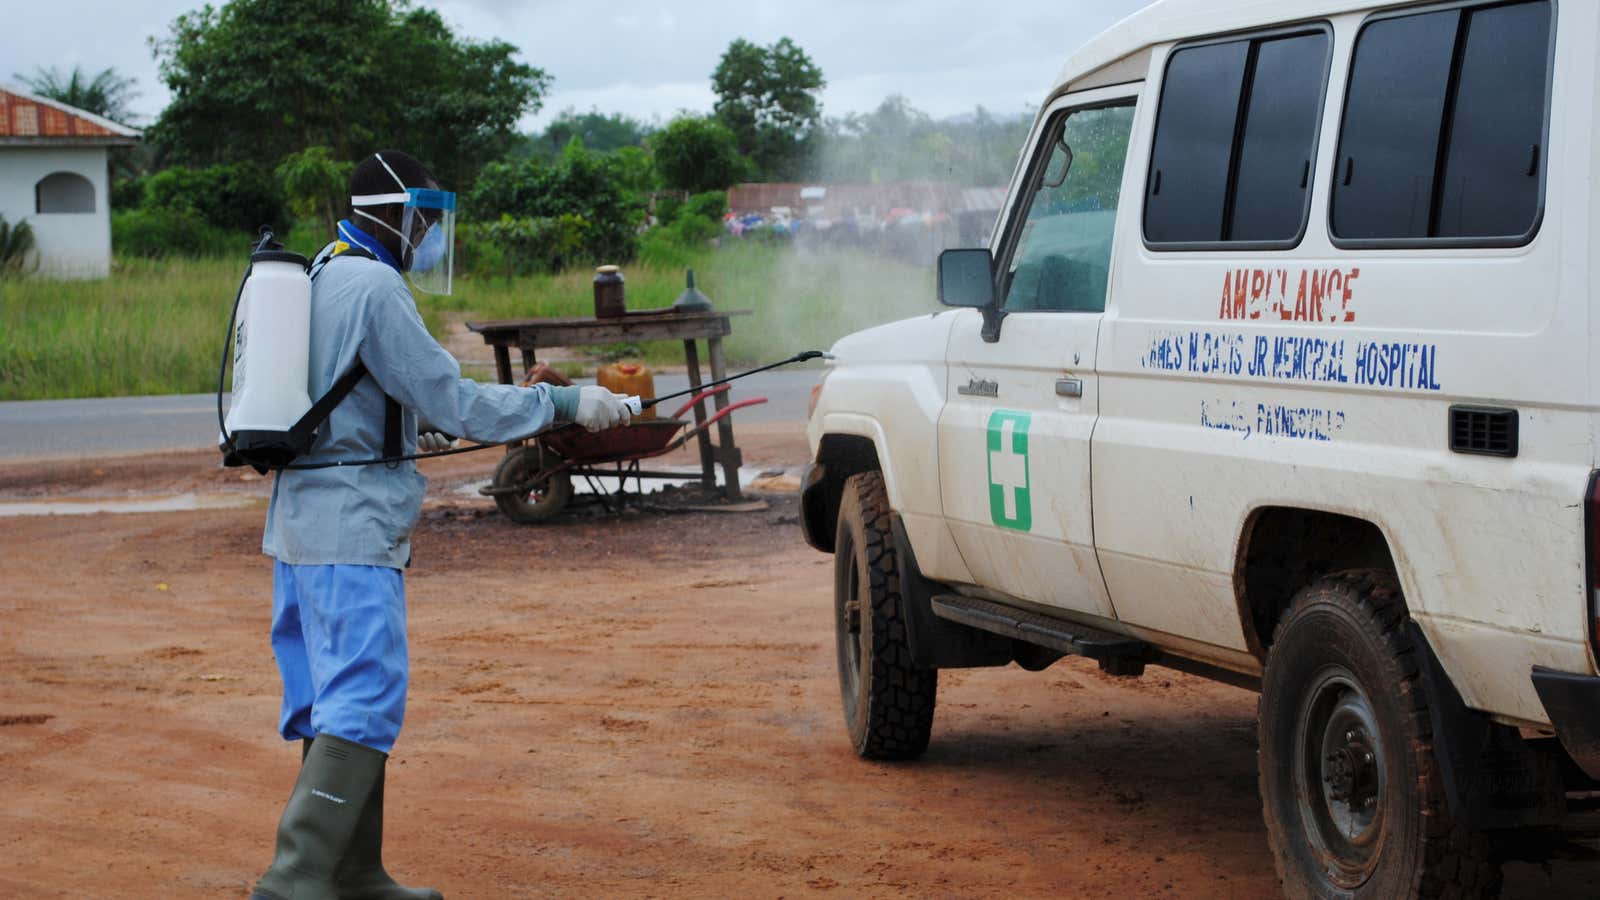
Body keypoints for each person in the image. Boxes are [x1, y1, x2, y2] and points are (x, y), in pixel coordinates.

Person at [249, 149, 632, 900]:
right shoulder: (375, 285)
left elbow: (346, 399)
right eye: (422, 216)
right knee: (364, 696)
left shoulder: (325, 270)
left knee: (330, 701)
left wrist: (401, 434)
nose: (428, 232)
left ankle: (353, 873)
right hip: (351, 529)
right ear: (394, 211)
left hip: (300, 524)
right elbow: (453, 400)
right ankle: (294, 882)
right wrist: (563, 403)